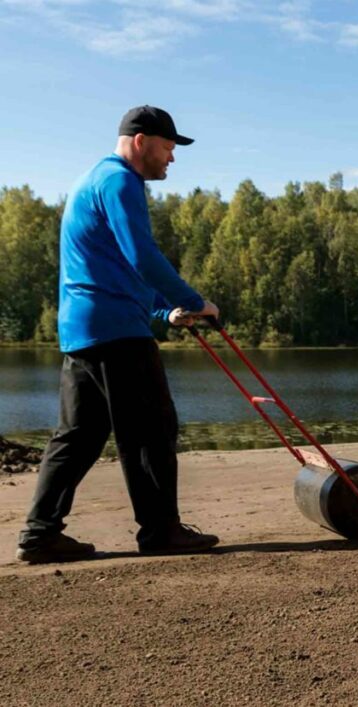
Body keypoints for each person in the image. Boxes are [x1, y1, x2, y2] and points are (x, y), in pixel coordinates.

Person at [16, 106, 221, 564]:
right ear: (140, 140)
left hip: (84, 330)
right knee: (152, 429)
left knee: (79, 436)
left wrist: (164, 310)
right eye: (168, 147)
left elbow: (113, 263)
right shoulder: (121, 181)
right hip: (117, 332)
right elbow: (141, 255)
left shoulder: (93, 179)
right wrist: (194, 300)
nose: (171, 158)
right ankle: (161, 531)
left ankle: (40, 533)